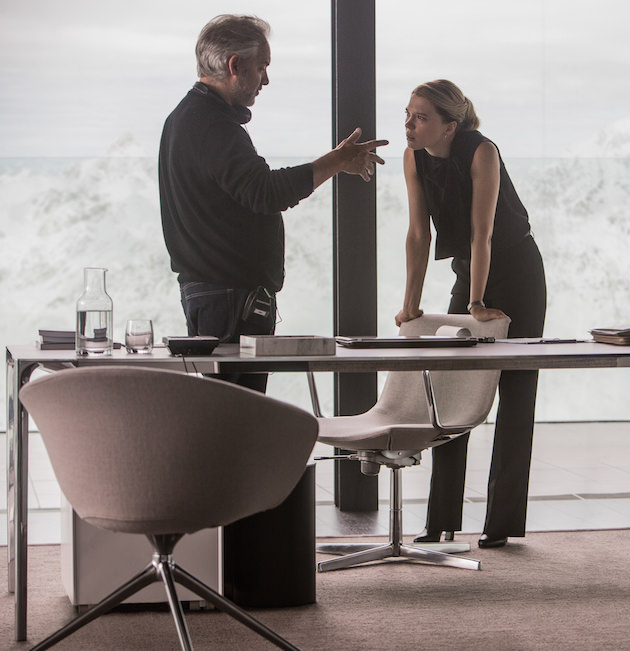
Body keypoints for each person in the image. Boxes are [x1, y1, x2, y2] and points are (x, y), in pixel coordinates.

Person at [159, 14, 387, 392]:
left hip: (215, 297)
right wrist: (337, 160)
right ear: (235, 66)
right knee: (239, 421)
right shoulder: (212, 126)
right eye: (261, 67)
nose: (266, 79)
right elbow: (267, 192)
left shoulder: (187, 119)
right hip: (230, 302)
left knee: (228, 418)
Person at [395, 79, 546, 548]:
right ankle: (440, 520)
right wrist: (410, 303)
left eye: (420, 117)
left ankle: (500, 525)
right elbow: (418, 235)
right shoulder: (414, 157)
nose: (409, 124)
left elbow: (483, 234)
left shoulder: (482, 152)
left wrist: (477, 304)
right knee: (454, 389)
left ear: (449, 125)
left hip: (517, 272)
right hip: (470, 271)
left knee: (516, 395)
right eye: (407, 114)